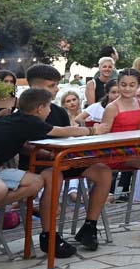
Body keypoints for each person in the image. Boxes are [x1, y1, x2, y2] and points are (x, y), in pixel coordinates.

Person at [0, 88, 90, 253]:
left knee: (36, 182)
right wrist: (92, 130)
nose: (49, 111)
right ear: (39, 108)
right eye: (48, 107)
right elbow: (63, 131)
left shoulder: (11, 120)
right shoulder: (30, 121)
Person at [21, 64, 113, 254]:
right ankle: (48, 235)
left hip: (64, 160)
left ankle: (89, 226)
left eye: (56, 85)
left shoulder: (59, 112)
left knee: (103, 171)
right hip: (38, 165)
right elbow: (22, 146)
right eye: (51, 86)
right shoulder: (23, 113)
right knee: (53, 176)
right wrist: (49, 154)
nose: (56, 89)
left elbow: (67, 138)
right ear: (35, 88)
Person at [96, 68, 140, 241]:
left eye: (131, 85)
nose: (127, 88)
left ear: (138, 86)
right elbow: (104, 135)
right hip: (115, 153)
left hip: (134, 150)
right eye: (123, 85)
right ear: (118, 84)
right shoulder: (112, 108)